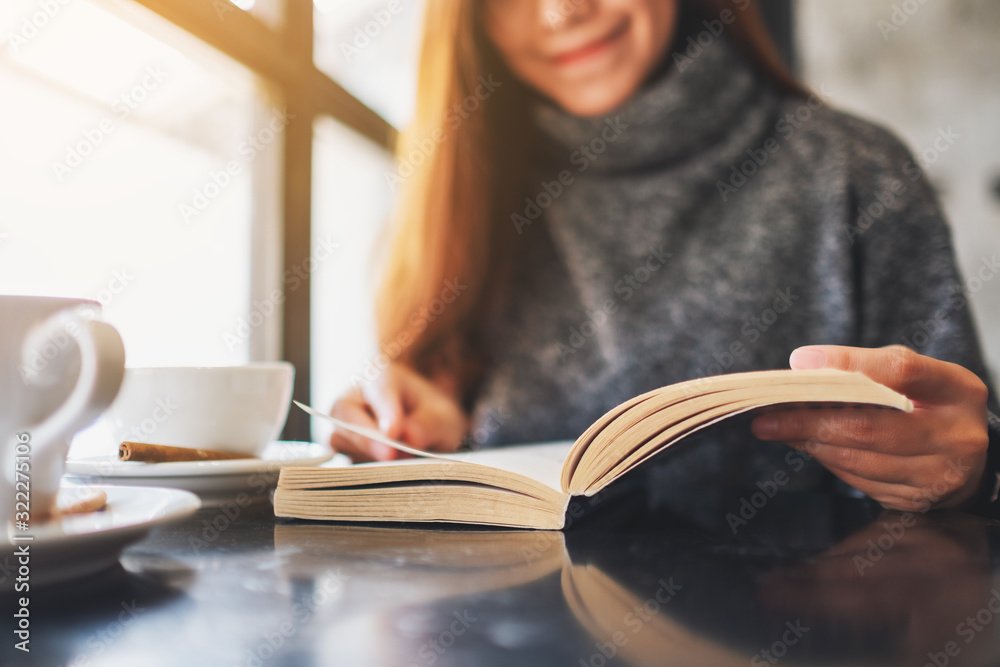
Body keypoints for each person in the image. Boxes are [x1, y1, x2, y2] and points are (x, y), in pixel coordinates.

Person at [330, 0, 1000, 518]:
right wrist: (428, 429)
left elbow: (963, 447)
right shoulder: (453, 188)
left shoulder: (856, 171)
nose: (561, 11)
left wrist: (976, 468)